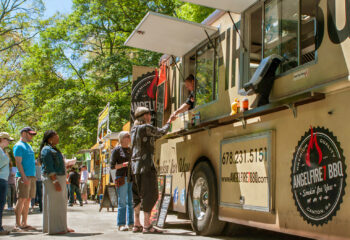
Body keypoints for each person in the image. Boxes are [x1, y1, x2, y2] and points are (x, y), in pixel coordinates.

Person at [130, 107, 175, 234]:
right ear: (144, 116)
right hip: (145, 166)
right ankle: (147, 225)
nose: (150, 116)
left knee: (137, 196)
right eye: (149, 114)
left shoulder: (133, 130)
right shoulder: (144, 128)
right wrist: (169, 121)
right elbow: (161, 132)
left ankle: (136, 224)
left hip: (134, 168)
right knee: (151, 194)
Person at [40, 130, 74, 234]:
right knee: (54, 204)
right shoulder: (46, 150)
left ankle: (61, 226)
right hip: (53, 179)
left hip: (59, 177)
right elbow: (49, 167)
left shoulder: (53, 149)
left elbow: (55, 164)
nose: (58, 136)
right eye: (55, 135)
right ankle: (56, 228)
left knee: (60, 204)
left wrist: (66, 166)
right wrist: (55, 181)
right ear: (50, 139)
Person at [13, 127, 37, 230]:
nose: (31, 136)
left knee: (28, 199)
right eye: (30, 134)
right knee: (21, 199)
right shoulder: (18, 146)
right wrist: (23, 177)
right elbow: (18, 162)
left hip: (32, 176)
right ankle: (17, 224)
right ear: (23, 133)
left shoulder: (29, 146)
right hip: (23, 176)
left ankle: (24, 223)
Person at [110, 131, 134, 231]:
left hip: (131, 177)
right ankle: (121, 224)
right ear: (121, 139)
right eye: (127, 136)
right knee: (122, 201)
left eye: (129, 136)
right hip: (121, 177)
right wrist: (123, 165)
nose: (129, 138)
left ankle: (131, 223)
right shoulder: (116, 150)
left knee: (130, 201)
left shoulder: (130, 150)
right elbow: (112, 166)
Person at [0, 132, 14, 235]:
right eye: (8, 140)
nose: (9, 142)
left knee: (1, 204)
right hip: (1, 180)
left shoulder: (2, 151)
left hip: (3, 179)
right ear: (2, 139)